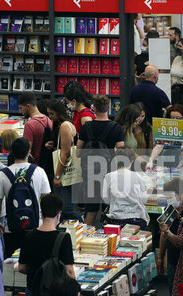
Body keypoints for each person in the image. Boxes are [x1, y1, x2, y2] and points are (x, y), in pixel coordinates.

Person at [0, 137, 51, 258]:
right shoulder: (39, 171)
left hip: (11, 227)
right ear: (28, 152)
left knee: (10, 264)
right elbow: (46, 200)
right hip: (36, 225)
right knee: (35, 260)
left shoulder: (3, 174)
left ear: (12, 152)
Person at [77, 96, 125, 226]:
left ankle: (88, 240)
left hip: (90, 175)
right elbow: (121, 153)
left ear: (94, 108)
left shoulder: (86, 127)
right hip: (109, 174)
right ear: (109, 108)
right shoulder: (116, 128)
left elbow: (78, 152)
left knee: (91, 211)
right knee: (108, 211)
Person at [19, 194, 75, 295]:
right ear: (59, 214)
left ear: (41, 214)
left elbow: (21, 268)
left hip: (33, 289)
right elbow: (69, 271)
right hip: (54, 291)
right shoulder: (64, 238)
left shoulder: (29, 236)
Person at [46, 99, 81, 222]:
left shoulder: (64, 126)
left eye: (52, 114)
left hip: (64, 171)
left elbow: (65, 153)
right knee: (64, 207)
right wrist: (54, 144)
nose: (50, 117)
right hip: (66, 169)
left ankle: (84, 226)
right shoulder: (64, 124)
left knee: (66, 208)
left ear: (59, 112)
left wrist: (57, 175)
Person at [102, 148, 149, 229]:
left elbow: (106, 200)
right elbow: (143, 200)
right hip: (136, 218)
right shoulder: (138, 177)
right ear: (132, 161)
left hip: (115, 218)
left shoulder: (108, 176)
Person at [147, 104, 183, 169]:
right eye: (172, 118)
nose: (175, 120)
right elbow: (159, 146)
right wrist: (151, 160)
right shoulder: (166, 127)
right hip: (168, 162)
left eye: (178, 118)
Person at [158, 178, 183, 296]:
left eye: (170, 196)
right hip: (172, 258)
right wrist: (160, 257)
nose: (168, 199)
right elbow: (163, 234)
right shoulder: (169, 210)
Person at [18, 92, 53, 167]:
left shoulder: (30, 125)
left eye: (21, 108)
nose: (20, 112)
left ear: (28, 106)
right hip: (47, 165)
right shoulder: (48, 119)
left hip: (34, 166)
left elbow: (26, 151)